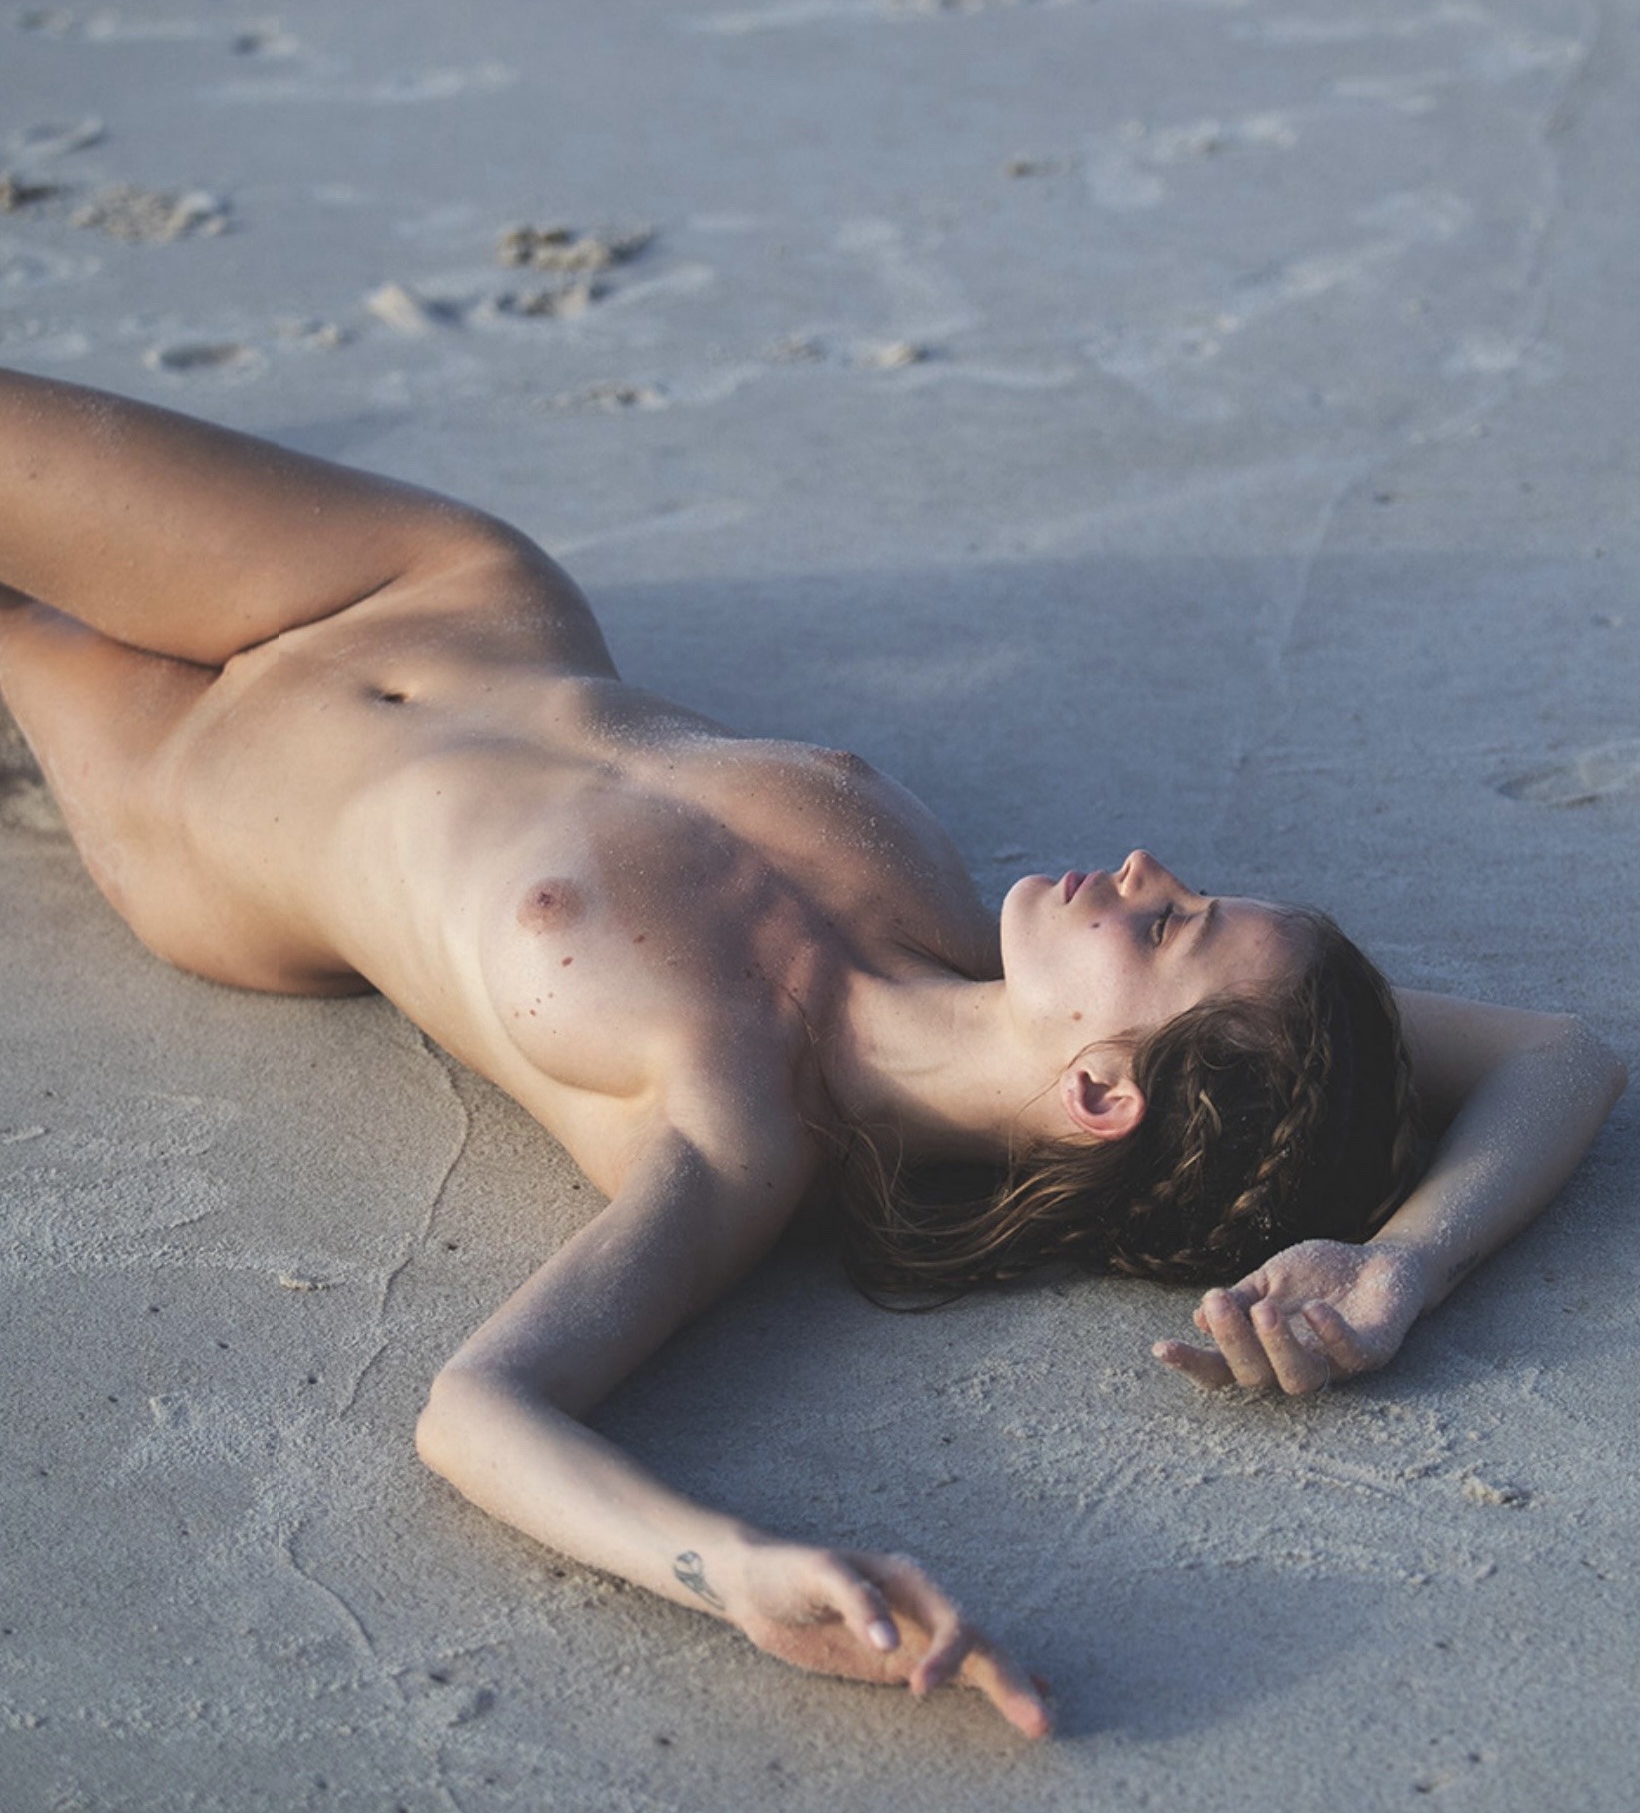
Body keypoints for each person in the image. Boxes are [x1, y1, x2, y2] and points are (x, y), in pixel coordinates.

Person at [0, 368, 1624, 1736]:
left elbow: (480, 1407)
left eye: (1170, 924)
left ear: (1098, 1091)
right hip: (433, 582)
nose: (1141, 866)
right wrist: (1401, 1267)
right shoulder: (944, 919)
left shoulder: (737, 1128)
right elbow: (1561, 1052)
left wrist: (726, 1567)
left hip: (210, 794)